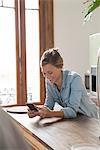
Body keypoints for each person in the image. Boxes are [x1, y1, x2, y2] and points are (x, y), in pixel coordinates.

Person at [28, 48, 98, 119]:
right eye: (44, 73)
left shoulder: (75, 79)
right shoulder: (49, 82)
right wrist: (38, 112)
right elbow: (49, 106)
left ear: (60, 67)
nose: (47, 77)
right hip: (77, 120)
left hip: (91, 120)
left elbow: (72, 111)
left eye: (50, 73)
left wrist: (51, 113)